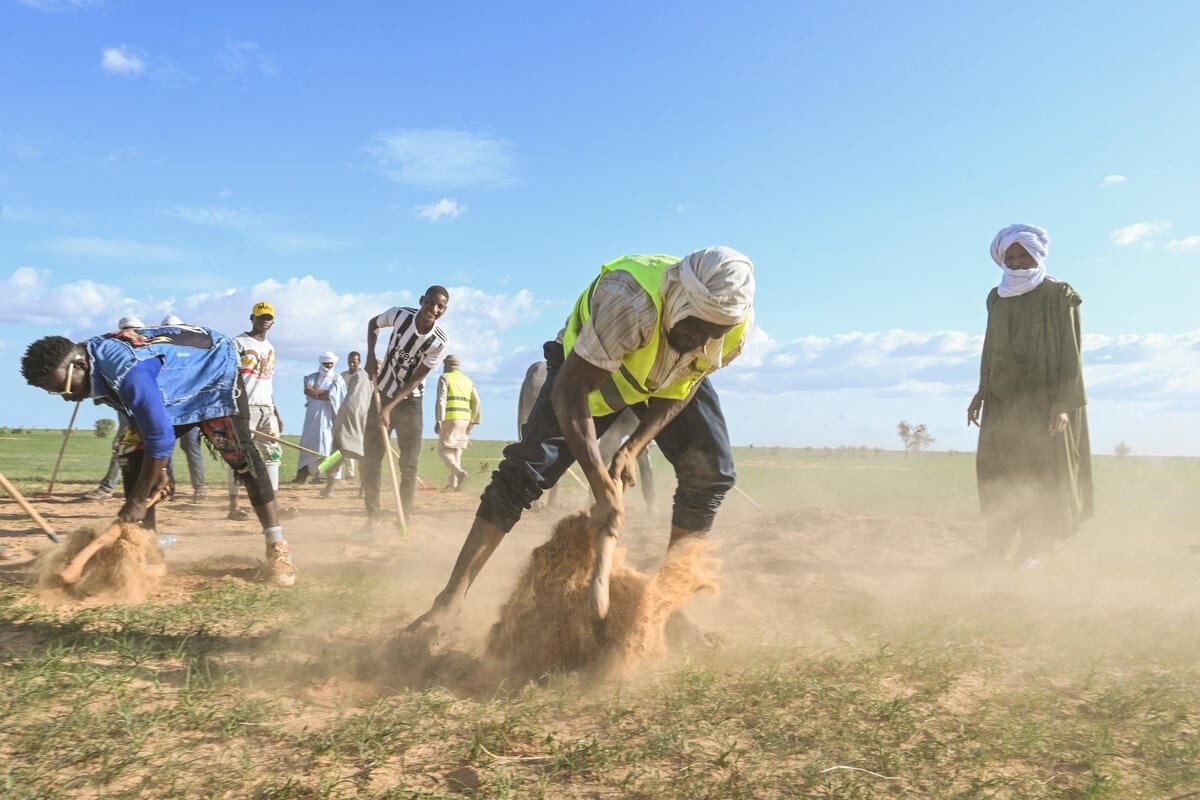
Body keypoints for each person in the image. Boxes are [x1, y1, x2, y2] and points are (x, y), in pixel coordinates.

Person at [410, 247, 755, 630]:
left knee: (711, 474)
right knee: (523, 473)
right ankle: (450, 600)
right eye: (693, 327)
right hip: (585, 377)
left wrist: (632, 448)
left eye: (713, 333)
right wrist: (600, 483)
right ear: (678, 296)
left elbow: (686, 383)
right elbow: (569, 392)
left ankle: (664, 610)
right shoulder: (630, 302)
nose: (698, 341)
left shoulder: (732, 330)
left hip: (656, 384)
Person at [20, 323, 298, 585]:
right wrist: (160, 470)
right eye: (57, 393)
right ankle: (149, 550)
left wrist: (138, 501)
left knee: (241, 457)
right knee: (131, 450)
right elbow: (146, 420)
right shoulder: (95, 361)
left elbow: (160, 436)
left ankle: (278, 546)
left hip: (213, 374)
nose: (67, 397)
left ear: (79, 365)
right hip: (172, 391)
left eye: (65, 388)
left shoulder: (127, 373)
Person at [967, 224, 1094, 569]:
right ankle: (998, 545)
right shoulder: (997, 296)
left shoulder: (1058, 294)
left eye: (1025, 254)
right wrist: (981, 389)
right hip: (1003, 403)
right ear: (1001, 259)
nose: (1019, 262)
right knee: (1000, 473)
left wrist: (1064, 404)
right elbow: (991, 345)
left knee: (1042, 474)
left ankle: (1033, 550)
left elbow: (1071, 351)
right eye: (1012, 256)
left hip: (1047, 406)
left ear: (1038, 254)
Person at [362, 287, 450, 527]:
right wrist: (370, 356)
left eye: (440, 307)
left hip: (410, 403)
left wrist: (390, 409)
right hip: (381, 392)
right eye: (430, 303)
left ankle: (404, 519)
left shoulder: (439, 341)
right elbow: (373, 323)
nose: (434, 309)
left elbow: (416, 380)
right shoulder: (399, 315)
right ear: (422, 301)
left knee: (408, 465)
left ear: (444, 310)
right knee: (371, 459)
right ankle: (372, 518)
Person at [227, 302, 285, 521]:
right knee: (238, 457)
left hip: (266, 408)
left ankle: (274, 504)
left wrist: (276, 413)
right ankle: (234, 506)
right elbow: (228, 376)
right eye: (260, 317)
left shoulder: (270, 347)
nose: (264, 321)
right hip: (244, 408)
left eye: (268, 318)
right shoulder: (237, 343)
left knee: (273, 456)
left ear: (273, 322)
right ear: (252, 318)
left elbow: (268, 382)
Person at [78, 315, 143, 501]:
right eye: (125, 328)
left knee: (123, 445)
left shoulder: (140, 348)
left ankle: (108, 487)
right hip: (124, 404)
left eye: (131, 328)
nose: (128, 332)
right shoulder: (118, 347)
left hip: (135, 405)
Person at [162, 315, 207, 501]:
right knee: (165, 449)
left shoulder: (192, 354)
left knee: (191, 447)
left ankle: (200, 488)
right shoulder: (160, 353)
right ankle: (168, 488)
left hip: (189, 410)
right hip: (167, 411)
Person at [295, 352, 346, 489]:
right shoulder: (312, 377)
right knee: (309, 444)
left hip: (331, 416)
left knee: (330, 445)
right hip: (314, 416)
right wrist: (324, 394)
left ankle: (326, 475)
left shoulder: (338, 379)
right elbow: (308, 391)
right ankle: (304, 472)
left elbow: (334, 396)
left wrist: (320, 393)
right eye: (326, 363)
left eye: (331, 364)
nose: (328, 366)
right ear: (321, 363)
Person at [516, 350, 558, 510]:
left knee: (533, 452)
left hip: (532, 429)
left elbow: (522, 417)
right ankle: (550, 499)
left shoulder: (534, 373)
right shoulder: (553, 372)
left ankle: (534, 499)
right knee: (555, 452)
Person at [434, 355, 481, 491]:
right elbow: (477, 401)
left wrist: (439, 419)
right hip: (465, 419)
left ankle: (460, 473)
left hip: (450, 417)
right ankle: (454, 485)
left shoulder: (445, 377)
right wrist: (473, 420)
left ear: (446, 365)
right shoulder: (468, 380)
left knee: (442, 450)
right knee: (456, 451)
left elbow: (441, 400)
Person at [597, 408, 657, 512]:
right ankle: (593, 497)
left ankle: (650, 502)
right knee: (602, 458)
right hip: (616, 419)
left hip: (635, 419)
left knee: (644, 461)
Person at [333, 350, 371, 484]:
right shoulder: (342, 376)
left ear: (359, 362)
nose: (351, 364)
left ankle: (362, 486)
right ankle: (329, 480)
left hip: (359, 418)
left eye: (354, 362)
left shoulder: (366, 377)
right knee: (341, 449)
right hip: (345, 414)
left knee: (359, 452)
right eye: (349, 362)